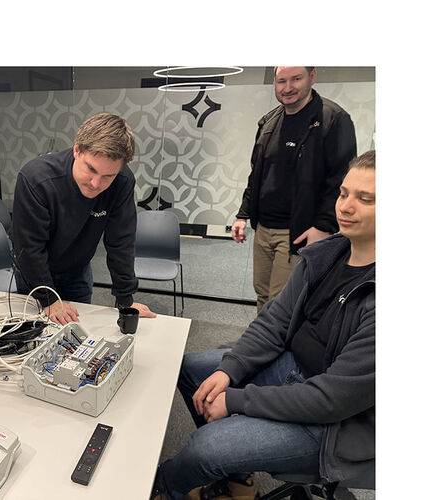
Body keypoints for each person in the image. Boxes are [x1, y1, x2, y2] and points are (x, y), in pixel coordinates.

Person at [152, 151, 375, 500]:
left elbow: (331, 399)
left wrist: (237, 400)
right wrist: (230, 370)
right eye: (344, 193)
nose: (345, 207)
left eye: (366, 199)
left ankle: (161, 489)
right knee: (192, 370)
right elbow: (275, 321)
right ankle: (239, 479)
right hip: (291, 368)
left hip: (336, 424)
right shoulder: (327, 254)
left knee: (205, 448)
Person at [232, 66, 357, 312]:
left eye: (296, 79)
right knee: (262, 294)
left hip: (297, 230)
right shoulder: (269, 121)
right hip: (263, 228)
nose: (287, 88)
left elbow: (341, 180)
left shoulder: (333, 119)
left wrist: (323, 226)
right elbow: (257, 174)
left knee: (282, 302)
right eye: (281, 81)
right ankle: (262, 337)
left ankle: (274, 338)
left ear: (312, 77)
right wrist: (242, 214)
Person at [11, 112, 156, 325]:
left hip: (76, 271)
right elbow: (29, 247)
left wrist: (125, 300)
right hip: (33, 273)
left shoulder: (122, 182)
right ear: (77, 150)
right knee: (35, 332)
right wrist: (48, 299)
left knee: (78, 332)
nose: (96, 184)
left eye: (108, 176)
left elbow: (121, 242)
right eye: (91, 169)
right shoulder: (36, 179)